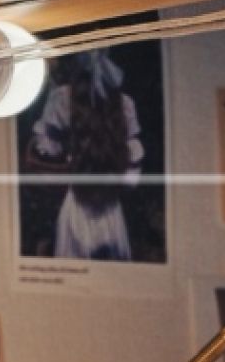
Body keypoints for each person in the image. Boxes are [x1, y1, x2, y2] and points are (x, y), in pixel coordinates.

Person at [23, 50, 145, 261]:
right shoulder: (118, 103)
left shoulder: (65, 99)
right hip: (103, 207)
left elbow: (47, 155)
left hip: (87, 205)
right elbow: (130, 177)